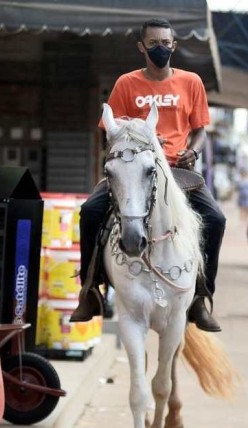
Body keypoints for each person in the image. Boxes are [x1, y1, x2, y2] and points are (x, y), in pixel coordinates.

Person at [72, 18, 225, 332]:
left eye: (166, 43)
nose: (161, 49)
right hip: (135, 169)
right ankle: (90, 290)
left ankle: (200, 296)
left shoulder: (191, 82)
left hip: (178, 171)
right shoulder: (126, 84)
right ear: (142, 47)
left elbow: (200, 131)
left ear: (174, 45)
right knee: (90, 212)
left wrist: (192, 153)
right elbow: (110, 132)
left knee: (217, 220)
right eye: (154, 43)